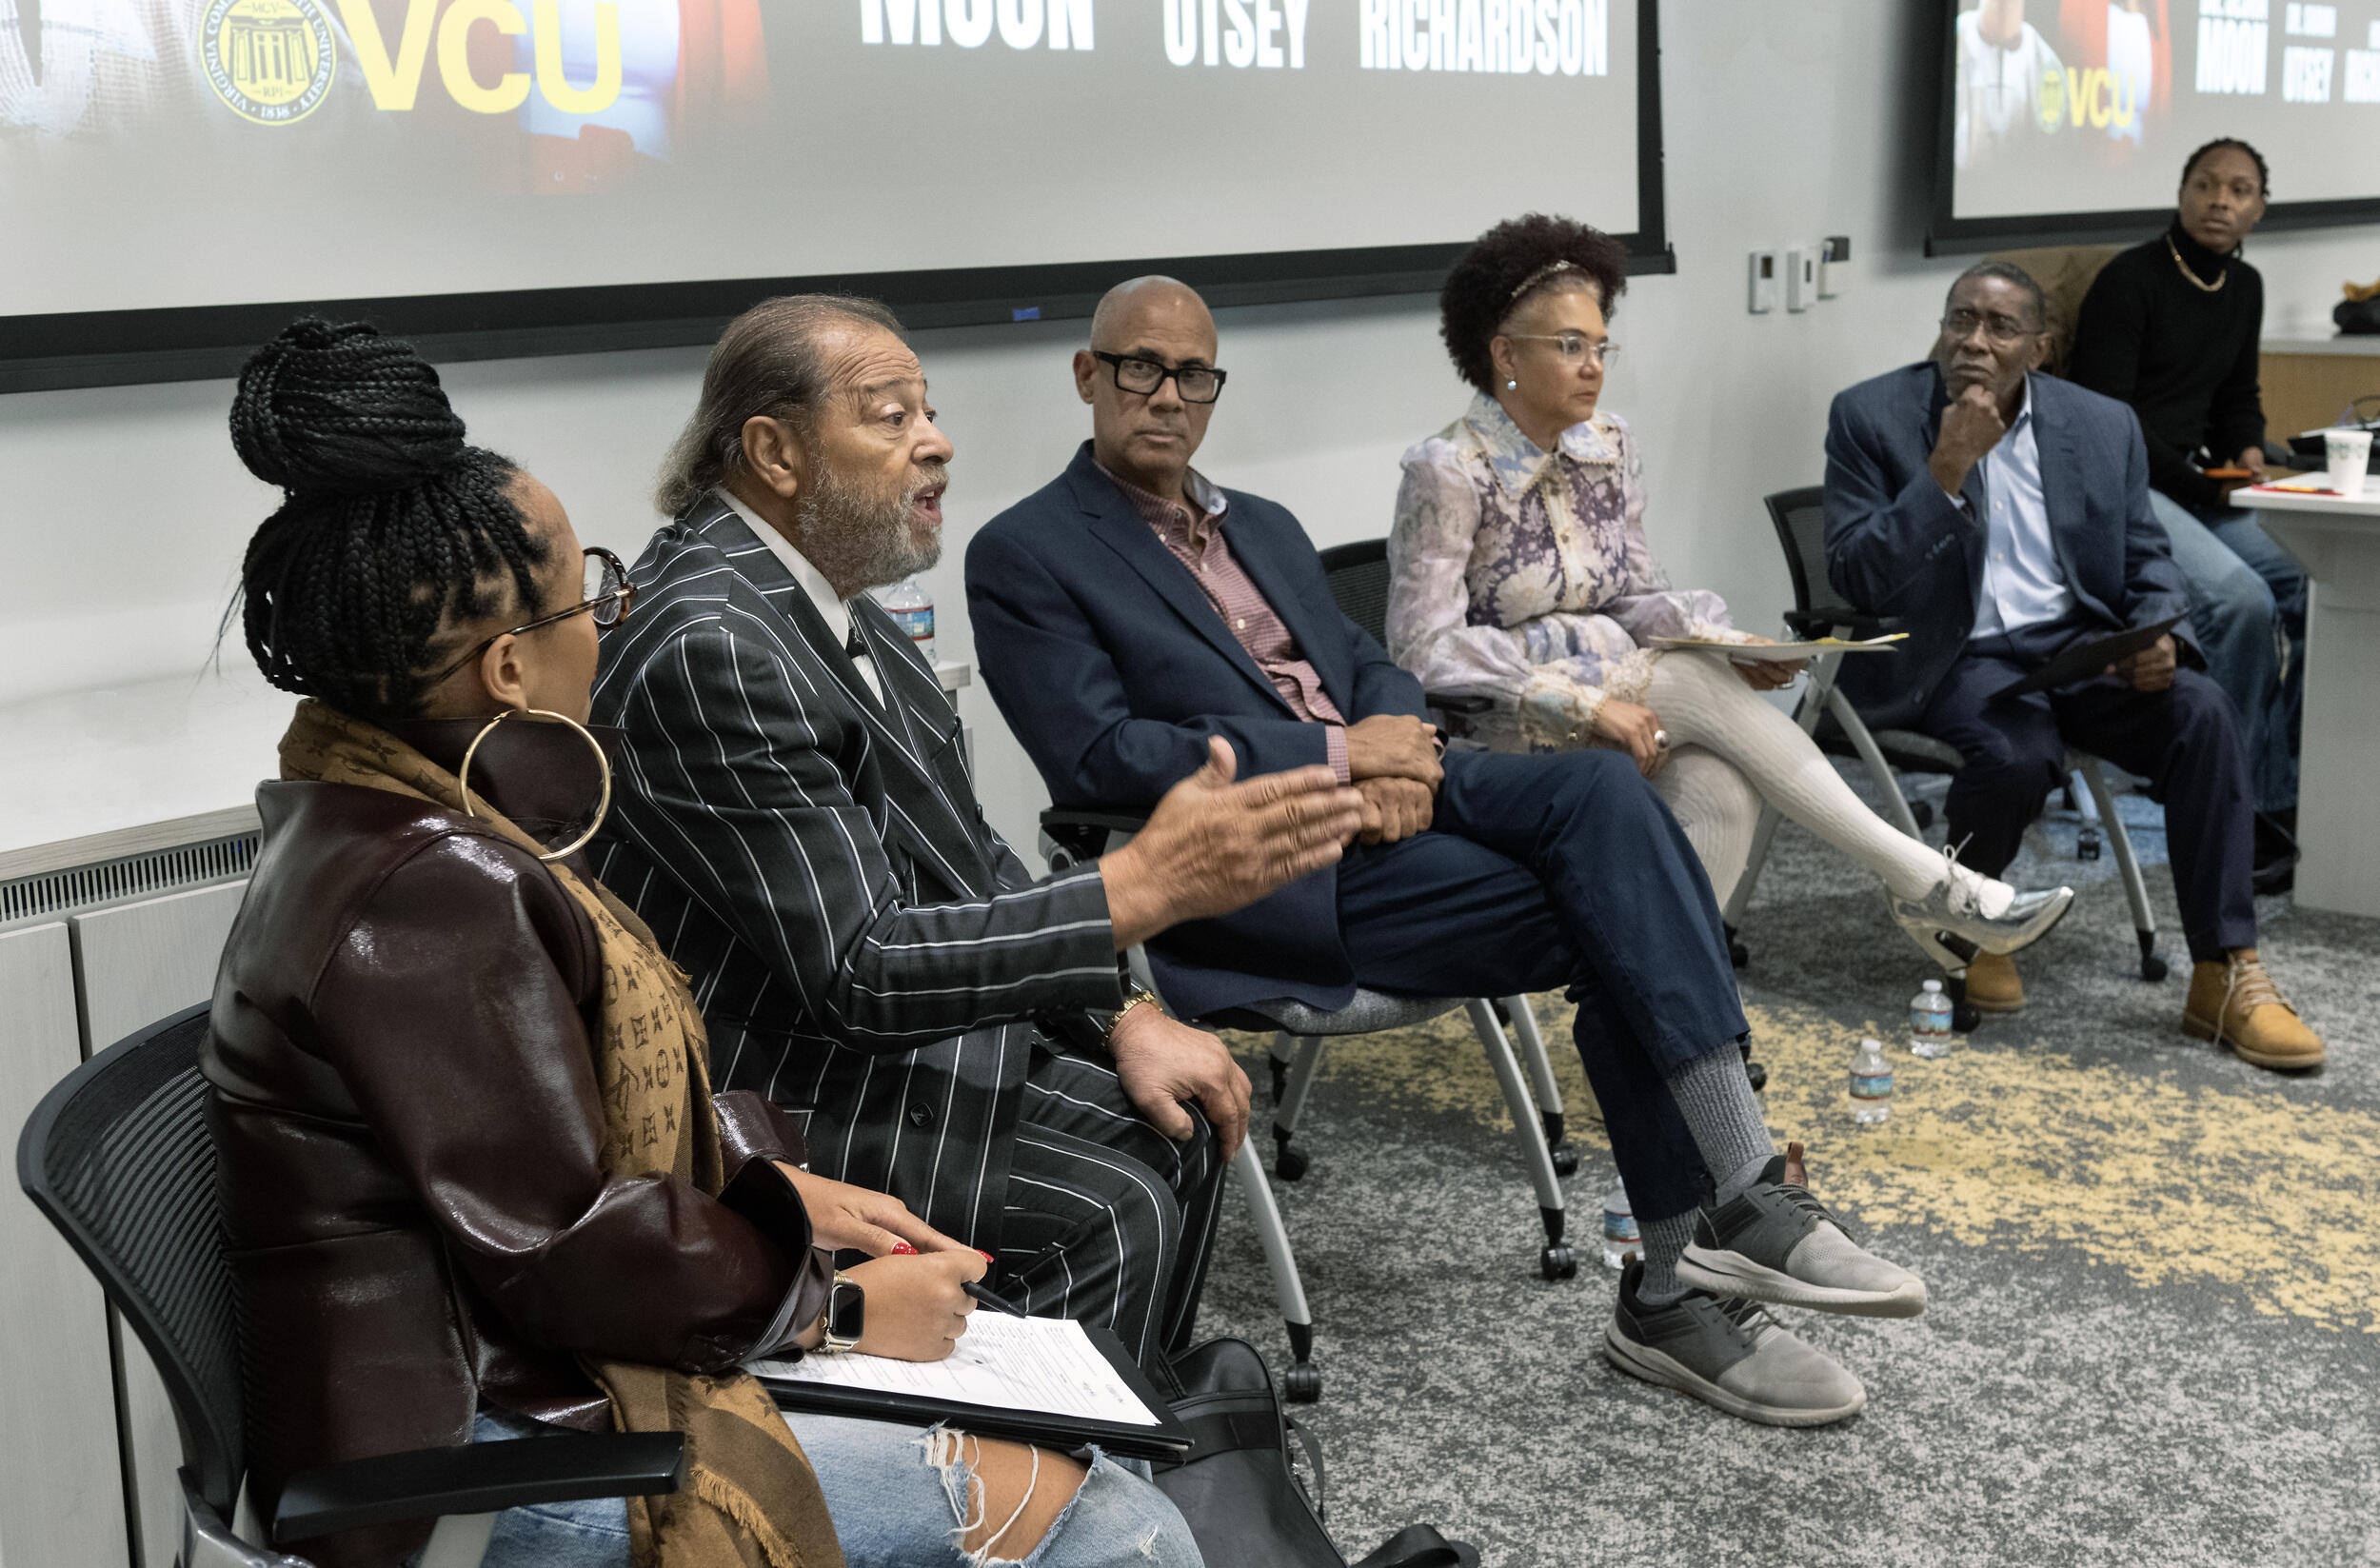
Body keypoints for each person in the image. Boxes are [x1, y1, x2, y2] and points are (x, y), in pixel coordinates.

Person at [203, 319, 1202, 1568]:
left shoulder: (371, 813)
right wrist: (830, 1305)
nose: (611, 619)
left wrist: (778, 1190)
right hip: (481, 1456)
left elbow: (550, 1156)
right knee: (1107, 1516)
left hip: (509, 1374)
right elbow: (562, 1247)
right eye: (591, 593)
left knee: (1055, 1441)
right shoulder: (429, 886)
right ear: (512, 664)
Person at [967, 275, 1934, 1430]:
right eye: (1140, 367)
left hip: (1402, 797)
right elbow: (1099, 755)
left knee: (1599, 797)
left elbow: (1377, 666)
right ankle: (1692, 1260)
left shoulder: (1262, 527)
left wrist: (1402, 753)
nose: (1167, 395)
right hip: (1256, 866)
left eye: (1193, 374)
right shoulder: (1023, 550)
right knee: (1627, 904)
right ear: (1088, 375)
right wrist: (1336, 761)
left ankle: (1709, 1236)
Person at [589, 295, 1366, 1372]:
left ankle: (1123, 1476)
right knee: (1119, 1198)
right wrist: (1130, 893)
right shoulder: (712, 642)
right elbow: (857, 970)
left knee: (1177, 1124)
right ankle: (1032, 1504)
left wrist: (1125, 1011)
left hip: (866, 1041)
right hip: (772, 1095)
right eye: (889, 413)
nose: (937, 439)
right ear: (772, 451)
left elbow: (969, 859)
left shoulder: (834, 604)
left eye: (927, 410)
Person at [1386, 212, 2073, 976]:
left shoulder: (1607, 447)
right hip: (1498, 735)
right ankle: (1924, 879)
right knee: (1679, 676)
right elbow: (1423, 651)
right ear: (1504, 355)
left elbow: (1635, 598)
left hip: (1627, 707)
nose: (1593, 366)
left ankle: (1666, 1030)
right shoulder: (1447, 468)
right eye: (1570, 346)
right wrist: (1580, 702)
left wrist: (1729, 643)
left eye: (1601, 346)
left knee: (1723, 793)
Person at [1823, 265, 2327, 1069]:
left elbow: (2146, 555)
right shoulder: (1871, 415)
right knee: (2016, 753)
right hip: (1960, 655)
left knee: (2203, 714)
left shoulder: (2101, 424)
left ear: (2040, 347)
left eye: (1999, 327)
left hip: (2077, 646)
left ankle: (2224, 971)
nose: (1975, 342)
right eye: (1961, 320)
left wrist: (2157, 635)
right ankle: (1977, 920)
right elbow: (1853, 574)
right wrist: (1944, 470)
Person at [2069, 137, 2306, 885]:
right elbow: (2112, 423)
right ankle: (2222, 802)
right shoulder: (2129, 280)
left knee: (2318, 579)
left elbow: (2240, 397)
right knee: (2240, 600)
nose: (2220, 201)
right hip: (2129, 487)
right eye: (2206, 185)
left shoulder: (2245, 284)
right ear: (2180, 192)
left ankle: (2283, 790)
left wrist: (2248, 452)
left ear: (2259, 208)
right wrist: (2209, 487)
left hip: (2202, 482)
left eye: (2239, 190)